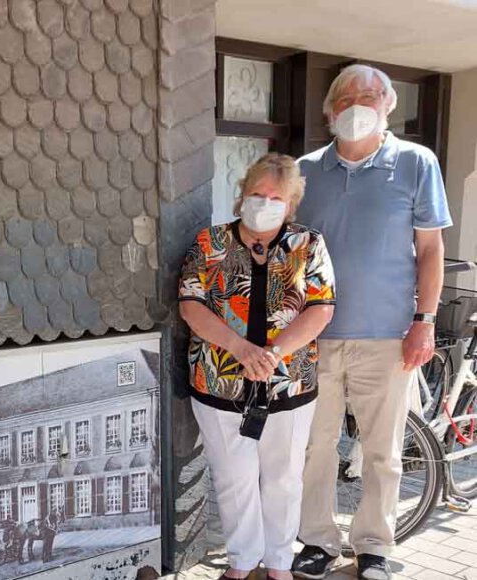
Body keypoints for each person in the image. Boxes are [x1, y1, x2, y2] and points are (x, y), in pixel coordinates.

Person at [292, 64, 452, 580]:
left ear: (388, 106)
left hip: (388, 336)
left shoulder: (415, 163)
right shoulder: (305, 171)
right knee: (314, 448)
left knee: (381, 451)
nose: (356, 104)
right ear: (329, 110)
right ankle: (316, 540)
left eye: (369, 95)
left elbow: (430, 250)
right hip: (311, 339)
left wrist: (424, 320)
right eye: (346, 97)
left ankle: (374, 547)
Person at [180, 153, 336, 580]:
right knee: (235, 479)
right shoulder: (209, 243)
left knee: (284, 480)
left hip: (288, 386)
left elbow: (321, 309)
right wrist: (241, 350)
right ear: (241, 195)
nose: (264, 202)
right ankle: (242, 562)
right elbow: (191, 305)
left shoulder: (309, 245)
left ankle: (279, 564)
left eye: (275, 197)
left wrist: (273, 353)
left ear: (291, 204)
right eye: (256, 194)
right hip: (219, 383)